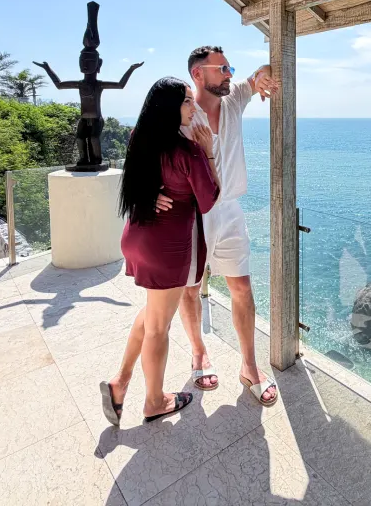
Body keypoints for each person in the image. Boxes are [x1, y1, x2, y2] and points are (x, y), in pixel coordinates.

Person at [157, 46, 280, 406]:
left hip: (229, 211)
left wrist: (266, 75)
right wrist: (149, 193)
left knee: (241, 287)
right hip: (190, 212)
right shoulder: (179, 114)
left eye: (230, 67)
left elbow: (263, 70)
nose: (229, 73)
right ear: (199, 74)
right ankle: (198, 353)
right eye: (222, 68)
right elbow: (144, 153)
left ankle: (249, 365)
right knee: (191, 289)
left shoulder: (234, 100)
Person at [100, 77, 220, 425]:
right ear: (168, 108)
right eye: (186, 101)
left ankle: (120, 383)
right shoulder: (189, 151)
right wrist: (209, 149)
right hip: (166, 248)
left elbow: (135, 180)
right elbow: (210, 198)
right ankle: (155, 400)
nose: (193, 106)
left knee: (152, 314)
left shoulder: (141, 136)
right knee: (158, 329)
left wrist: (150, 194)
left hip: (138, 237)